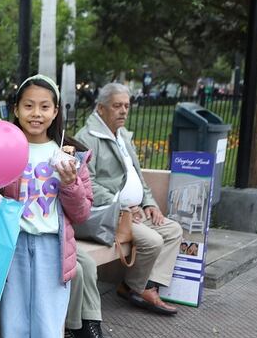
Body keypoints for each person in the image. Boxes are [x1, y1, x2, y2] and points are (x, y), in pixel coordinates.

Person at [0, 74, 93, 338]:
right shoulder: (6, 150)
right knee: (14, 333)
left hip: (53, 252)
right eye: (28, 106)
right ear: (16, 110)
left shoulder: (70, 158)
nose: (36, 113)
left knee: (49, 337)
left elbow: (82, 213)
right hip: (14, 251)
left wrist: (69, 184)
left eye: (44, 106)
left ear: (56, 113)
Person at [74, 82, 183, 315]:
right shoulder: (87, 138)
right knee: (152, 241)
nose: (123, 111)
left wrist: (149, 204)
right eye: (117, 106)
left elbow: (137, 175)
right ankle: (138, 288)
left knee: (172, 230)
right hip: (107, 214)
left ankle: (140, 286)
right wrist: (121, 206)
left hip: (133, 211)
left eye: (126, 105)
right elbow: (87, 184)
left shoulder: (122, 135)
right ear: (101, 108)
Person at [65, 247, 119, 338]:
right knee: (76, 270)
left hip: (61, 237)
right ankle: (72, 327)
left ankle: (90, 324)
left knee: (88, 264)